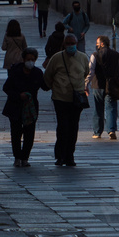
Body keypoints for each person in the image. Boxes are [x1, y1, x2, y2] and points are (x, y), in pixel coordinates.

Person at [44, 33, 90, 167]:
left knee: (73, 127)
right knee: (63, 127)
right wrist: (54, 87)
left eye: (73, 44)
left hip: (77, 100)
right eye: (68, 44)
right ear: (64, 45)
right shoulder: (57, 58)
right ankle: (60, 155)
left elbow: (85, 73)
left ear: (76, 44)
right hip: (60, 98)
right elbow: (48, 75)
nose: (71, 46)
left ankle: (70, 155)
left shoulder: (82, 57)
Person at [2, 47, 46, 167]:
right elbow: (6, 88)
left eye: (33, 59)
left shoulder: (37, 73)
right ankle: (17, 157)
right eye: (28, 59)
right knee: (15, 134)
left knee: (29, 134)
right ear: (23, 59)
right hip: (15, 106)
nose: (30, 61)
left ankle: (25, 157)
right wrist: (18, 95)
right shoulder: (15, 71)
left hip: (30, 108)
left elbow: (45, 86)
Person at [86, 35, 119, 139]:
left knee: (98, 108)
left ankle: (97, 132)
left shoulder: (95, 55)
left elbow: (91, 71)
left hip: (98, 85)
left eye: (97, 43)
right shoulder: (116, 55)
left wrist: (86, 84)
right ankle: (111, 130)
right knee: (111, 107)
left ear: (102, 43)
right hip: (112, 85)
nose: (96, 45)